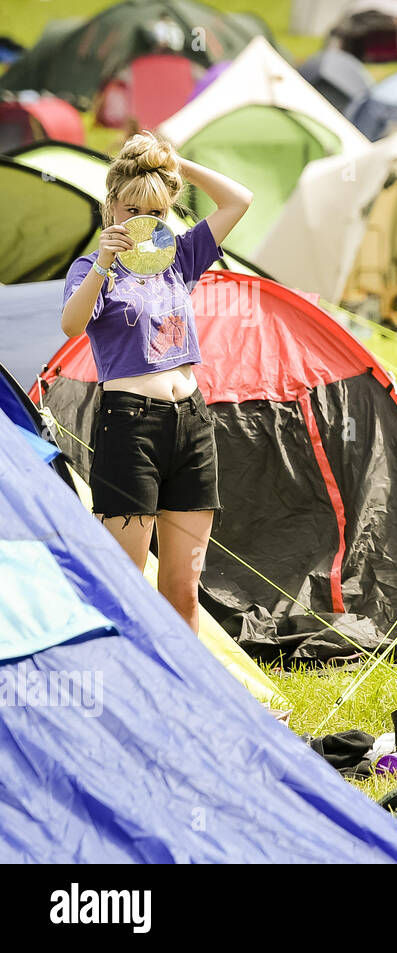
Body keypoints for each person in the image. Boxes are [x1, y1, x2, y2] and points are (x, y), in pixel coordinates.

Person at [59, 132, 252, 633]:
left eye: (156, 214)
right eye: (130, 211)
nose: (142, 223)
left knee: (182, 594)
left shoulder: (178, 260)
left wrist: (173, 165)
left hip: (191, 424)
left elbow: (239, 199)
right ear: (111, 209)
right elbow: (72, 325)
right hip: (129, 428)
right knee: (124, 587)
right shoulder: (90, 268)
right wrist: (104, 261)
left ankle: (185, 706)